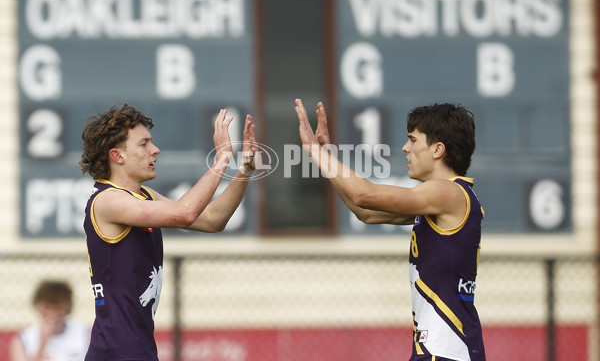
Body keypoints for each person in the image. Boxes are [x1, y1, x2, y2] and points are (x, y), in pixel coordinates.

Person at [295, 99, 485, 361]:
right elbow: (365, 213)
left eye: (413, 140)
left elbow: (364, 195)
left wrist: (313, 151)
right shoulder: (442, 200)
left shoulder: (447, 192)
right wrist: (326, 158)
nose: (405, 148)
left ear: (438, 149)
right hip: (438, 351)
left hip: (448, 351)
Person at [79, 104, 257, 361]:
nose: (155, 150)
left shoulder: (142, 196)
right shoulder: (107, 201)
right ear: (117, 156)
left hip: (136, 349)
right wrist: (222, 158)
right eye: (144, 144)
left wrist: (245, 171)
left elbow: (213, 220)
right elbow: (184, 213)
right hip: (117, 352)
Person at [10, 280, 90, 361]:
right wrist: (42, 343)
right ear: (38, 306)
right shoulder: (23, 339)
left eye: (58, 308)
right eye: (48, 307)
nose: (53, 313)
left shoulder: (85, 333)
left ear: (68, 307)